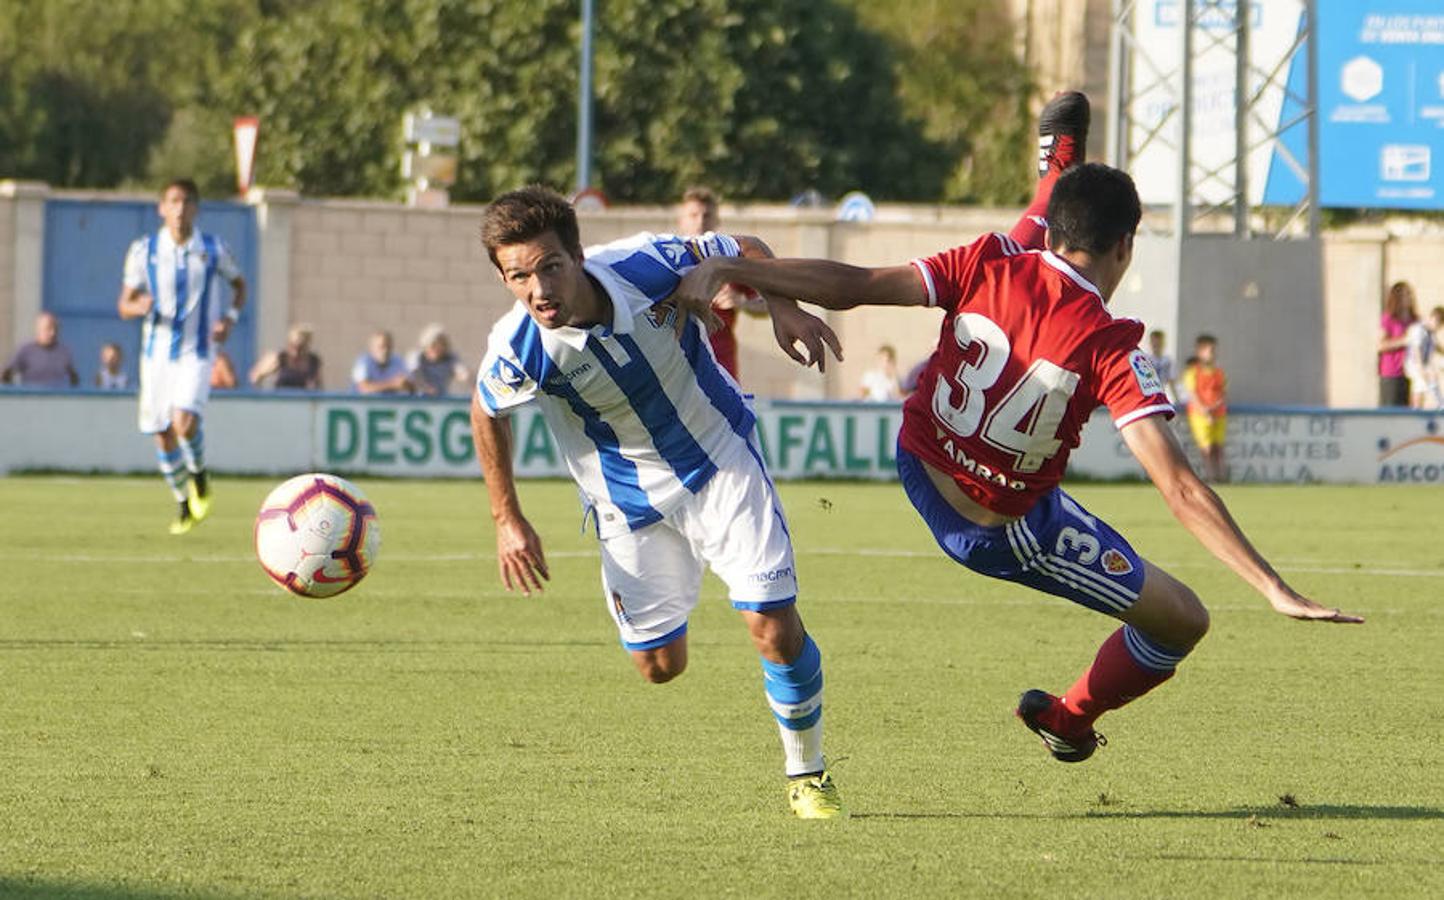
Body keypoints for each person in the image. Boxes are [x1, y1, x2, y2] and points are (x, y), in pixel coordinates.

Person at [668, 91, 1362, 769]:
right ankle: (1071, 719)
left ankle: (1058, 163)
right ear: (1126, 247)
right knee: (1183, 619)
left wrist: (737, 267)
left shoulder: (988, 260)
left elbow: (852, 284)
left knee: (1023, 230)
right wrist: (1272, 587)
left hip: (918, 455)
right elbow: (1178, 488)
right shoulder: (1111, 343)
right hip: (999, 528)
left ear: (1059, 230)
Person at [470, 186, 844, 818]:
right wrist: (507, 518)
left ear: (579, 255)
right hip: (626, 506)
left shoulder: (647, 264)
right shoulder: (518, 347)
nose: (538, 290)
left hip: (718, 461)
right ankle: (685, 586)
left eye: (550, 267)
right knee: (660, 667)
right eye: (518, 277)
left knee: (772, 626)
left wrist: (781, 306)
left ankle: (806, 772)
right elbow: (486, 410)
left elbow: (749, 249)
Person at [117, 178, 246, 535]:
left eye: (186, 201)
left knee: (184, 421)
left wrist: (230, 320)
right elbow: (123, 303)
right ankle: (182, 502)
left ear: (196, 208)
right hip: (156, 355)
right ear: (162, 207)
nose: (179, 208)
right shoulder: (144, 251)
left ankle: (200, 476)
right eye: (173, 201)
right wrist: (137, 305)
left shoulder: (213, 249)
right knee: (162, 433)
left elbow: (240, 286)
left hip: (198, 350)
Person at [676, 186, 767, 381]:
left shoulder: (730, 261)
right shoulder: (667, 261)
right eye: (693, 215)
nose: (700, 221)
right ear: (681, 221)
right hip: (676, 366)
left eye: (706, 215)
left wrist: (742, 301)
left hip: (720, 366)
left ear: (716, 221)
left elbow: (767, 305)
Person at [1182, 334, 1227, 482]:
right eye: (1210, 350)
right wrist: (1205, 412)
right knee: (1206, 448)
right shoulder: (1192, 372)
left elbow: (1223, 393)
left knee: (1218, 447)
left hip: (1218, 414)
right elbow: (1192, 395)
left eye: (1214, 350)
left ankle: (1222, 477)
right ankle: (1211, 477)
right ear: (1200, 352)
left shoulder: (1219, 372)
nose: (1213, 354)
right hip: (1199, 415)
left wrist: (1215, 408)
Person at [1, 312, 80, 388]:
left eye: (55, 329)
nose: (52, 333)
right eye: (48, 328)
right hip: (32, 398)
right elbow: (6, 373)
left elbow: (74, 377)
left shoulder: (64, 352)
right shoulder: (26, 351)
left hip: (57, 398)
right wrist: (13, 393)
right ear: (38, 329)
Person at [1378, 281, 1417, 407]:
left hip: (1410, 372)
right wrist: (1403, 341)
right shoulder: (1388, 318)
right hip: (1392, 374)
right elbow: (1381, 345)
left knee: (1407, 413)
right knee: (1391, 412)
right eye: (1406, 295)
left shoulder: (1415, 319)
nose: (1409, 298)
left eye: (1410, 294)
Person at [250, 323, 323, 390]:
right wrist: (262, 375)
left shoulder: (313, 361)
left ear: (307, 346)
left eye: (301, 348)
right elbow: (254, 377)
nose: (295, 353)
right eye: (292, 347)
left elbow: (319, 386)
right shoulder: (280, 358)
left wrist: (314, 387)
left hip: (303, 402)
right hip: (281, 402)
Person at [407, 323, 470, 396]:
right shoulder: (416, 357)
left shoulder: (451, 358)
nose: (438, 348)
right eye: (434, 345)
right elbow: (415, 376)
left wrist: (467, 377)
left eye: (442, 344)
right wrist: (427, 388)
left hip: (440, 401)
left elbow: (462, 373)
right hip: (418, 400)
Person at [1403, 306, 1443, 409]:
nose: (1438, 327)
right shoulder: (1419, 329)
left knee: (1431, 377)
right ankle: (1416, 410)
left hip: (1423, 364)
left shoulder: (1431, 333)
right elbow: (1416, 349)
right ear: (1432, 318)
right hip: (1414, 363)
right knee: (1420, 382)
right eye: (1437, 323)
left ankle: (1439, 403)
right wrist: (1420, 368)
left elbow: (1437, 346)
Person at [1145, 329, 1179, 403]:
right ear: (1150, 343)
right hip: (1148, 396)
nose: (1156, 345)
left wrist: (1177, 399)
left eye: (1158, 343)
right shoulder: (1145, 360)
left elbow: (1171, 381)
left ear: (1163, 343)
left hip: (1164, 396)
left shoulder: (1168, 361)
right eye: (1154, 342)